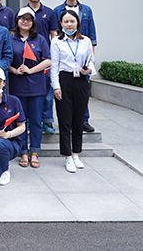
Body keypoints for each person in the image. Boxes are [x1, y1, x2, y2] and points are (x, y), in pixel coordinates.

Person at [51, 9, 96, 173]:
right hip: (64, 80)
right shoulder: (56, 42)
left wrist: (88, 70)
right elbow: (54, 66)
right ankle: (67, 156)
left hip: (81, 81)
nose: (69, 25)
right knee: (65, 120)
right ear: (61, 24)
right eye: (66, 22)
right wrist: (56, 86)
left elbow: (91, 61)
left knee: (79, 120)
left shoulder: (86, 41)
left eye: (72, 21)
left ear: (77, 23)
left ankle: (76, 153)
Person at [7, 7, 52, 169]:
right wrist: (15, 70)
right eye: (22, 18)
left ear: (33, 23)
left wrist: (31, 70)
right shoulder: (10, 38)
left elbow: (48, 60)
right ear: (17, 20)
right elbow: (5, 59)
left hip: (36, 86)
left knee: (36, 120)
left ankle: (34, 152)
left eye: (28, 19)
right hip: (17, 86)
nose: (25, 22)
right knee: (20, 120)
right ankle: (23, 152)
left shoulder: (40, 39)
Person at [53, 0, 98, 133]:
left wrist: (91, 60)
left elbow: (92, 35)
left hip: (82, 57)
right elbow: (55, 33)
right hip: (65, 56)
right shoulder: (57, 10)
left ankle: (84, 120)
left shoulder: (86, 10)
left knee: (82, 90)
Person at [24, 0, 59, 135]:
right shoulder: (23, 12)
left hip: (44, 58)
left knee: (47, 92)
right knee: (28, 92)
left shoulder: (49, 12)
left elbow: (54, 34)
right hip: (26, 57)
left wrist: (54, 56)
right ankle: (28, 120)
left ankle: (47, 120)